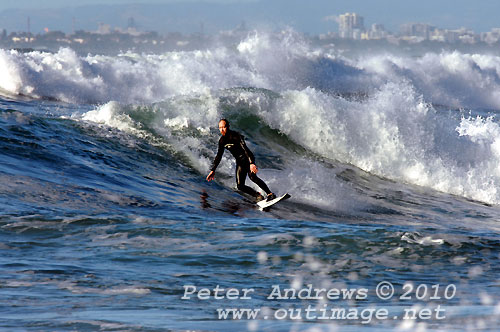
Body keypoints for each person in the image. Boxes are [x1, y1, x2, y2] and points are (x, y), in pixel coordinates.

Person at [206, 119, 276, 201]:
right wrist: (213, 170)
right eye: (220, 127)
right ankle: (257, 195)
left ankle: (270, 194)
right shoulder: (222, 141)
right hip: (239, 162)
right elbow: (219, 156)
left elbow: (246, 149)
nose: (222, 129)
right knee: (240, 186)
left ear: (228, 126)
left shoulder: (236, 136)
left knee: (252, 177)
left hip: (247, 158)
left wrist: (251, 163)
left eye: (224, 127)